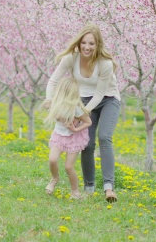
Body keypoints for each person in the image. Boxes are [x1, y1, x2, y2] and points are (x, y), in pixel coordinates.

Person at [45, 23, 121, 203]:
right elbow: (53, 80)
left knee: (104, 137)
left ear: (98, 45)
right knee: (86, 143)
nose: (87, 47)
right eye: (84, 43)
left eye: (92, 44)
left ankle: (108, 187)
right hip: (84, 100)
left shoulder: (105, 64)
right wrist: (50, 101)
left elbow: (100, 93)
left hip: (108, 99)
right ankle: (89, 187)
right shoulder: (71, 58)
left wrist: (80, 115)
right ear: (79, 44)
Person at [44, 77, 92, 200]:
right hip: (59, 136)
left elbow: (88, 122)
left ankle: (75, 191)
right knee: (52, 159)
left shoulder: (75, 108)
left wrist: (75, 129)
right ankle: (55, 179)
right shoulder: (55, 104)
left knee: (68, 167)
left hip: (73, 139)